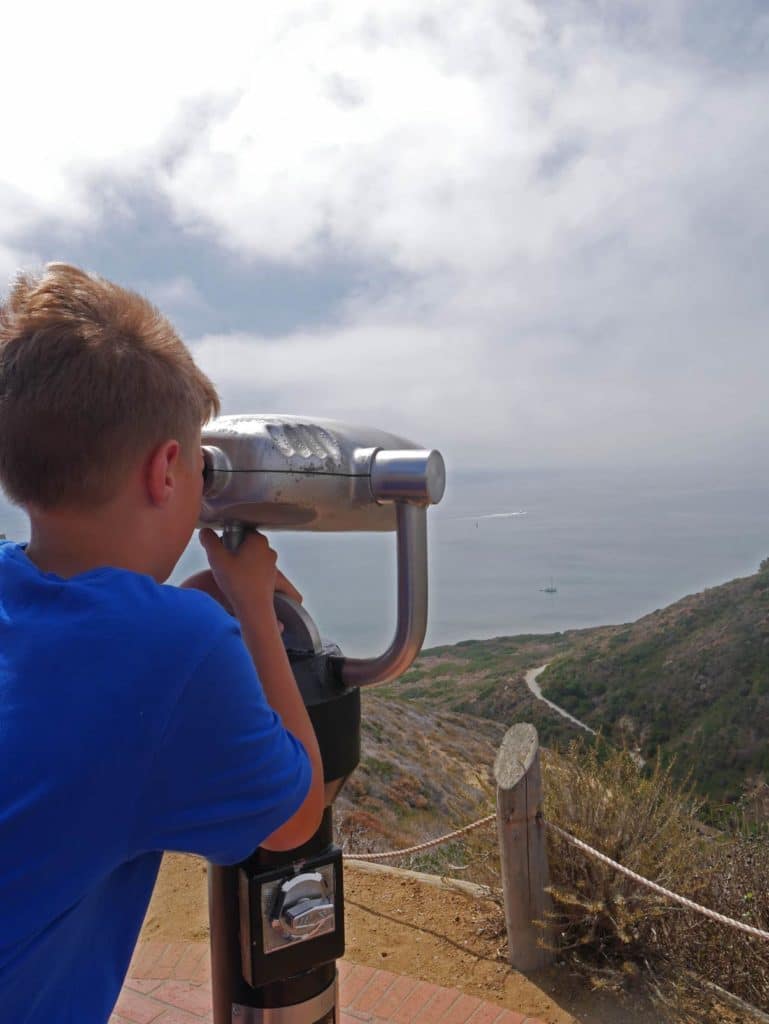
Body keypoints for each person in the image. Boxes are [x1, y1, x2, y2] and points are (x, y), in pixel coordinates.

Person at [0, 263, 324, 1023]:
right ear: (167, 469)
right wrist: (248, 607)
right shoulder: (183, 646)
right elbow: (294, 813)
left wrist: (184, 612)